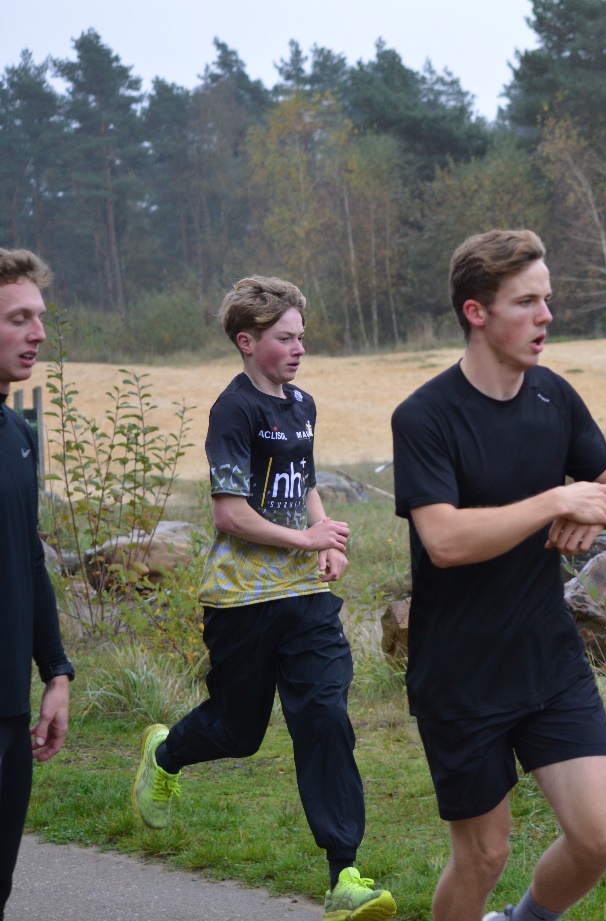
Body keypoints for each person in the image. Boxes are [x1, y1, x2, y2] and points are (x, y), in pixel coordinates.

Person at [391, 229, 606, 921]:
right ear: (477, 311)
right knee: (483, 855)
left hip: (546, 658)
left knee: (602, 835)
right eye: (527, 301)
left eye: (548, 300)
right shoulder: (424, 416)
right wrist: (556, 500)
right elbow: (443, 539)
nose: (546, 316)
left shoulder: (554, 399)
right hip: (460, 674)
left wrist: (596, 509)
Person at [130, 276, 396, 921]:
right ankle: (164, 753)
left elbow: (302, 482)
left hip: (306, 598)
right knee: (239, 733)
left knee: (324, 719)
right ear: (247, 342)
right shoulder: (235, 411)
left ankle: (345, 876)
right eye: (285, 338)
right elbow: (230, 515)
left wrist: (325, 538)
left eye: (301, 336)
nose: (298, 348)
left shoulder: (301, 404)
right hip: (241, 603)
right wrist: (305, 539)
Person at [0, 248, 73, 921]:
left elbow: (30, 560)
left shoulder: (19, 435)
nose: (39, 333)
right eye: (19, 319)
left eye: (39, 317)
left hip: (9, 714)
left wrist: (55, 670)